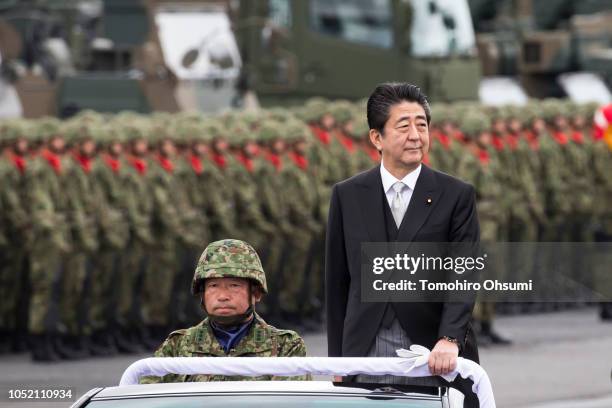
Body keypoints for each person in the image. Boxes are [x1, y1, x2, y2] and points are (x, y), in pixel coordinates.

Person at [325, 83, 480, 405]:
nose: (415, 135)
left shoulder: (455, 195)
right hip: (365, 346)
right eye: (404, 125)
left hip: (432, 349)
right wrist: (336, 359)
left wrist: (449, 339)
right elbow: (337, 282)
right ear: (376, 138)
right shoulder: (348, 195)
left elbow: (463, 274)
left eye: (422, 124)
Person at [141, 239, 310, 383]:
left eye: (234, 286)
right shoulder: (177, 347)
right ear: (202, 293)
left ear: (256, 293)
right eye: (213, 286)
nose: (222, 296)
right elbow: (146, 398)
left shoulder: (285, 347)